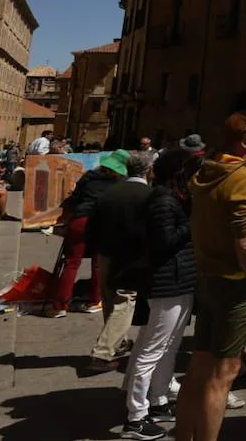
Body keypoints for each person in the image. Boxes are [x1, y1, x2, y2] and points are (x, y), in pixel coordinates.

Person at [174, 111, 246, 441]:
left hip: (209, 277)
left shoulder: (208, 171)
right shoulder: (242, 177)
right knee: (224, 372)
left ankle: (184, 436)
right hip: (236, 282)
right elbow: (245, 243)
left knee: (200, 366)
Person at [122, 149, 198, 441]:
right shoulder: (163, 201)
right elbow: (164, 242)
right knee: (151, 349)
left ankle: (158, 399)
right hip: (167, 281)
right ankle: (136, 416)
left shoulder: (173, 199)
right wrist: (191, 223)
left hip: (180, 280)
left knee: (170, 346)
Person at [87, 150, 155, 373]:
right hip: (132, 255)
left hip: (107, 252)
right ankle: (103, 353)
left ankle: (119, 341)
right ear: (149, 171)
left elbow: (93, 224)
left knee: (110, 298)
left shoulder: (110, 192)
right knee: (124, 299)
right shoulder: (149, 195)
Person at [43, 151, 126, 317]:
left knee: (72, 262)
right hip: (103, 222)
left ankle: (60, 305)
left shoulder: (89, 177)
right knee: (98, 263)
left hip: (81, 219)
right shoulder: (120, 183)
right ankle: (94, 301)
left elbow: (75, 198)